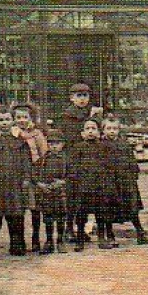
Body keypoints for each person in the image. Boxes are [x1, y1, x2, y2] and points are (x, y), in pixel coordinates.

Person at [68, 118, 120, 251]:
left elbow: (110, 166)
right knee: (81, 214)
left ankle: (102, 238)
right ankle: (80, 239)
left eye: (93, 129)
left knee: (102, 213)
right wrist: (77, 181)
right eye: (87, 129)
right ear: (82, 133)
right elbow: (73, 166)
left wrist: (107, 182)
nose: (90, 131)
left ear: (98, 132)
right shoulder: (77, 148)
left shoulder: (104, 147)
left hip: (100, 186)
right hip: (83, 186)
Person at [100, 115, 148, 245]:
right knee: (109, 210)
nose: (112, 131)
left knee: (132, 208)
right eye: (108, 128)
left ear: (119, 130)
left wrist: (134, 173)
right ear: (103, 130)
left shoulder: (123, 143)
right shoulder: (101, 145)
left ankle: (140, 234)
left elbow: (131, 159)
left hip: (126, 181)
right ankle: (110, 235)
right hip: (110, 182)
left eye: (114, 128)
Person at [0, 108, 32, 258]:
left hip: (15, 184)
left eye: (7, 119)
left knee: (16, 215)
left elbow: (26, 160)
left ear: (12, 121)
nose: (4, 123)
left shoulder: (20, 140)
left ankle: (16, 244)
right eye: (1, 120)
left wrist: (26, 178)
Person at [61, 82, 94, 242]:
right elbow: (68, 138)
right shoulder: (68, 115)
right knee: (72, 196)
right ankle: (69, 229)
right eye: (79, 96)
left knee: (85, 196)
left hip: (89, 158)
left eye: (85, 95)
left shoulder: (91, 113)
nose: (82, 99)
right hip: (73, 159)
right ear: (72, 98)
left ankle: (81, 229)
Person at [12, 104, 47, 252]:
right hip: (16, 175)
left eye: (25, 117)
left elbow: (44, 153)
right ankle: (18, 240)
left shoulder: (36, 134)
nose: (22, 120)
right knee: (18, 208)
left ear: (31, 118)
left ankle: (35, 238)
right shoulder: (11, 133)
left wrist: (39, 172)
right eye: (18, 117)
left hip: (33, 173)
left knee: (35, 208)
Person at [36, 127, 68, 254]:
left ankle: (60, 241)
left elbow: (73, 174)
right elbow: (35, 173)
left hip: (61, 193)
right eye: (51, 143)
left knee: (60, 218)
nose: (54, 146)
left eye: (57, 143)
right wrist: (41, 184)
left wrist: (62, 182)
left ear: (63, 144)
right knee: (48, 218)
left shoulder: (66, 159)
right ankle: (49, 241)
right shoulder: (43, 159)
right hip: (47, 193)